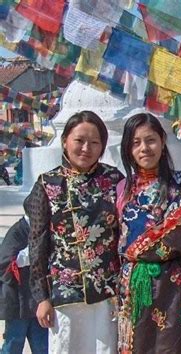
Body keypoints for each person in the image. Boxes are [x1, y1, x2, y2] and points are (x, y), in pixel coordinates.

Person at [25, 111, 123, 353]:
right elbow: (37, 243)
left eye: (94, 142)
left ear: (102, 146)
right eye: (79, 140)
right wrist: (42, 298)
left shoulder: (115, 181)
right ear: (64, 141)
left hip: (108, 294)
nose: (86, 148)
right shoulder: (47, 184)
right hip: (63, 296)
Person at [116, 113, 181, 353]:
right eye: (136, 142)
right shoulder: (122, 189)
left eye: (150, 140)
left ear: (163, 142)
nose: (144, 148)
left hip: (172, 286)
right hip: (131, 285)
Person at [0, 205, 48, 354]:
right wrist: (32, 253)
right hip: (17, 303)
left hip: (37, 301)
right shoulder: (16, 232)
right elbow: (5, 263)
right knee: (13, 344)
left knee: (43, 347)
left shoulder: (43, 231)